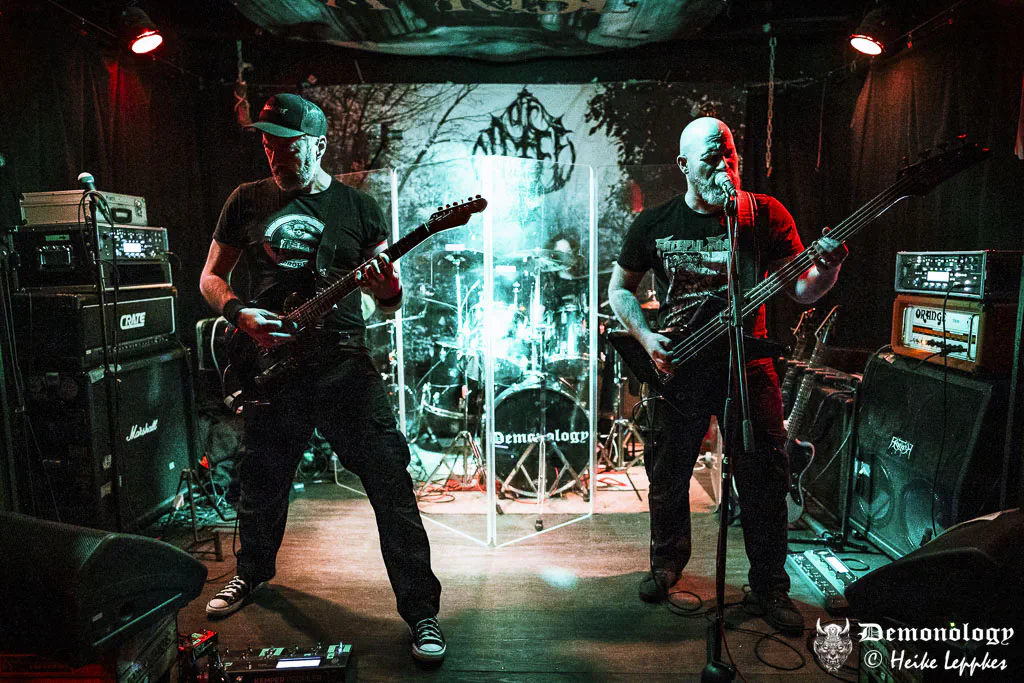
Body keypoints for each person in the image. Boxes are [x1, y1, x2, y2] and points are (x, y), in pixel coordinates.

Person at [199, 93, 445, 663]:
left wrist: (386, 285)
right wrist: (239, 313)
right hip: (270, 366)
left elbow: (391, 302)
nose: (275, 156)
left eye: (287, 147)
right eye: (268, 145)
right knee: (261, 481)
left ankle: (422, 612)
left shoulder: (358, 209)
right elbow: (210, 277)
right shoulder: (245, 200)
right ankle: (251, 573)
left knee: (391, 483)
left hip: (343, 365)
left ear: (319, 144)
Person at [607, 117, 847, 634]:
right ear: (684, 165)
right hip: (680, 367)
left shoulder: (763, 215)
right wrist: (646, 338)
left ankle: (770, 586)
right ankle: (667, 563)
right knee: (668, 473)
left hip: (748, 366)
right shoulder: (655, 222)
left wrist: (827, 268)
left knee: (765, 478)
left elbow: (800, 289)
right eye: (712, 158)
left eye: (731, 156)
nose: (726, 167)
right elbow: (619, 288)